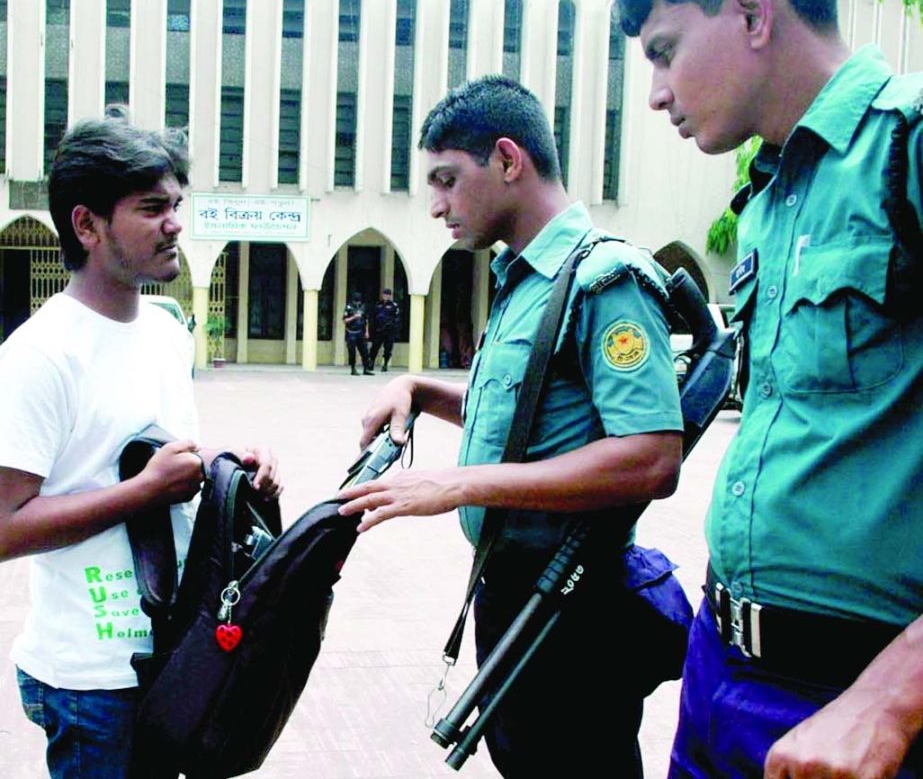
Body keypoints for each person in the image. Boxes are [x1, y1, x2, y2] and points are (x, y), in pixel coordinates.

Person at [337, 75, 690, 778]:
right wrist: (420, 389)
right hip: (513, 596)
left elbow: (652, 457)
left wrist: (458, 482)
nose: (435, 204)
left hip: (571, 607)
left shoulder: (602, 279)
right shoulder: (526, 278)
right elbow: (522, 418)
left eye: (446, 179)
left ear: (506, 159)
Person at [617, 0, 923, 776]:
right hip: (719, 669)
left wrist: (894, 696)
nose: (655, 93)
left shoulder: (906, 145)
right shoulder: (765, 200)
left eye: (664, 51)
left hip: (856, 704)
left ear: (751, 11)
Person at [0, 111, 283, 779]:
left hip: (173, 651)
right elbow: (5, 526)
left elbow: (150, 454)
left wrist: (225, 471)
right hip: (89, 680)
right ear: (86, 225)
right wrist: (141, 492)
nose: (174, 222)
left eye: (177, 204)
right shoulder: (39, 356)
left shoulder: (164, 330)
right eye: (152, 207)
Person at [368, 288, 400, 372]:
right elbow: (372, 316)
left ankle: (385, 365)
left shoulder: (394, 305)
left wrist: (393, 326)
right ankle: (371, 363)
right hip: (378, 330)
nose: (385, 296)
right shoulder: (378, 304)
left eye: (387, 295)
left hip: (389, 331)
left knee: (388, 349)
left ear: (390, 296)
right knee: (374, 348)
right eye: (384, 294)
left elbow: (397, 318)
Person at [342, 290, 373, 376]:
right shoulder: (348, 307)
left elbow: (366, 320)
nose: (358, 302)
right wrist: (353, 317)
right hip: (351, 333)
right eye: (357, 300)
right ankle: (353, 368)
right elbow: (344, 320)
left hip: (361, 332)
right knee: (352, 352)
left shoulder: (363, 307)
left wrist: (367, 332)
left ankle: (366, 369)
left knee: (364, 351)